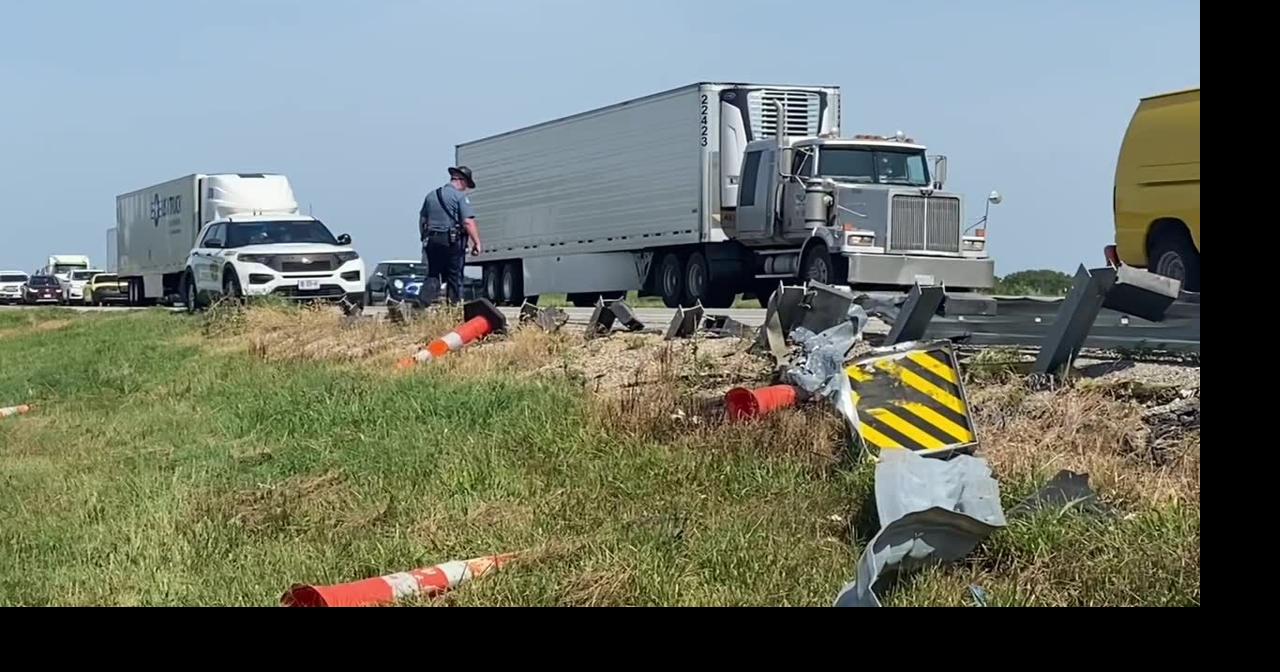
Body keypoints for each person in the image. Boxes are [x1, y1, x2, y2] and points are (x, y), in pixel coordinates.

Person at [419, 166, 483, 304]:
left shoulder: (431, 195)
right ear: (462, 181)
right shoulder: (459, 197)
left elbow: (422, 219)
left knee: (433, 275)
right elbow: (467, 222)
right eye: (467, 185)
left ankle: (421, 305)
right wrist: (476, 242)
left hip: (432, 240)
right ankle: (454, 308)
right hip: (451, 241)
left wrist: (424, 237)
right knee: (454, 276)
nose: (466, 189)